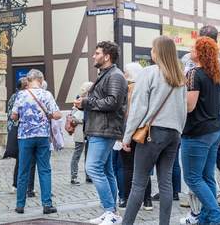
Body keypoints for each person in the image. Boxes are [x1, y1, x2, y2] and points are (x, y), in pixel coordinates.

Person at [121, 36, 187, 225]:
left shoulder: (149, 73)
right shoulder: (179, 76)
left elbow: (138, 107)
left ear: (158, 52)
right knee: (165, 183)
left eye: (152, 48)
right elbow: (183, 110)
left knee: (138, 183)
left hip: (153, 132)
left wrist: (127, 136)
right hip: (174, 133)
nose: (151, 51)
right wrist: (179, 132)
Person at [182, 25, 220, 223]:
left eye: (193, 49)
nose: (190, 51)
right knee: (207, 176)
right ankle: (206, 217)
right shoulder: (216, 73)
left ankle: (216, 215)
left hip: (198, 132)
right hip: (217, 129)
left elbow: (189, 106)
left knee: (192, 177)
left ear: (200, 53)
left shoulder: (193, 74)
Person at [75, 41, 127, 225]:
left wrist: (87, 103)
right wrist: (84, 103)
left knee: (93, 168)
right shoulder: (106, 74)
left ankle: (110, 211)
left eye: (97, 53)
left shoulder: (115, 76)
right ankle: (112, 212)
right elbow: (103, 100)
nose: (93, 56)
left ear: (106, 56)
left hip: (105, 129)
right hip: (100, 128)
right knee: (106, 170)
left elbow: (113, 102)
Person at [11, 69, 61, 214]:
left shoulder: (20, 95)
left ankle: (20, 205)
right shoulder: (46, 94)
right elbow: (57, 115)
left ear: (28, 80)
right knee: (44, 170)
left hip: (25, 137)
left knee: (23, 170)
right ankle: (47, 204)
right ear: (41, 79)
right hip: (42, 136)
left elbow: (14, 116)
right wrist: (48, 116)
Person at [119, 63, 153, 211]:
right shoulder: (146, 89)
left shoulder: (125, 90)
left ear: (127, 75)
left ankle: (125, 199)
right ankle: (147, 201)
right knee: (143, 167)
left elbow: (124, 114)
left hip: (127, 130)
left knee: (127, 167)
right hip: (143, 132)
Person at [8, 77, 36, 195]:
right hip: (22, 130)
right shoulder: (21, 96)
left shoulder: (14, 96)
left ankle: (16, 185)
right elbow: (14, 115)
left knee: (21, 159)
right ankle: (28, 187)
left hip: (16, 130)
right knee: (27, 160)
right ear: (25, 86)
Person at [70, 82, 93, 185]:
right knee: (77, 154)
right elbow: (73, 116)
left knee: (89, 154)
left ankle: (89, 176)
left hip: (89, 130)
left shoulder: (91, 100)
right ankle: (73, 177)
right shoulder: (78, 99)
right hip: (80, 130)